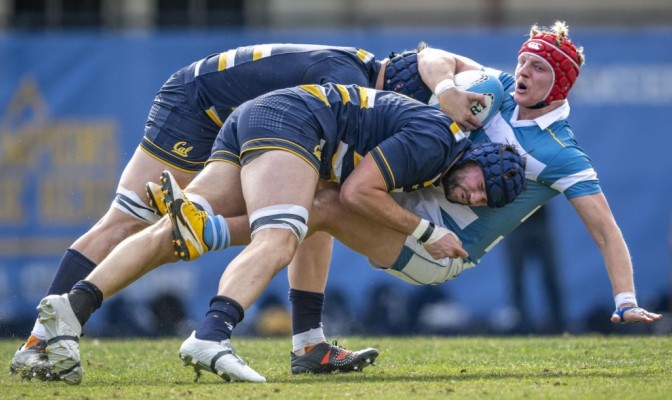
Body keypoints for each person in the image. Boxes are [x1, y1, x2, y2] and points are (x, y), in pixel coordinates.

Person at [155, 20, 661, 342]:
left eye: (539, 68)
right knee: (319, 189)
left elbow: (606, 230)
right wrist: (444, 87)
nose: (524, 70)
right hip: (408, 205)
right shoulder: (499, 90)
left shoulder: (563, 153)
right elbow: (428, 56)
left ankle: (209, 230)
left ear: (561, 86)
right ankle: (308, 342)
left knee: (327, 206)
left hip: (441, 248)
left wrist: (626, 300)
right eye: (523, 59)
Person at [10, 43, 488, 379]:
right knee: (130, 220)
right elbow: (429, 60)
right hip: (202, 105)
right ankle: (39, 341)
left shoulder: (367, 71)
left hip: (248, 118)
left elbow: (431, 56)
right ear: (404, 88)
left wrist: (447, 84)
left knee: (306, 206)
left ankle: (308, 341)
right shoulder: (358, 83)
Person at [503, 204, 564, 333]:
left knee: (551, 276)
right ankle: (521, 325)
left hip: (539, 219)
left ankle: (559, 324)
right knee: (516, 280)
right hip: (513, 223)